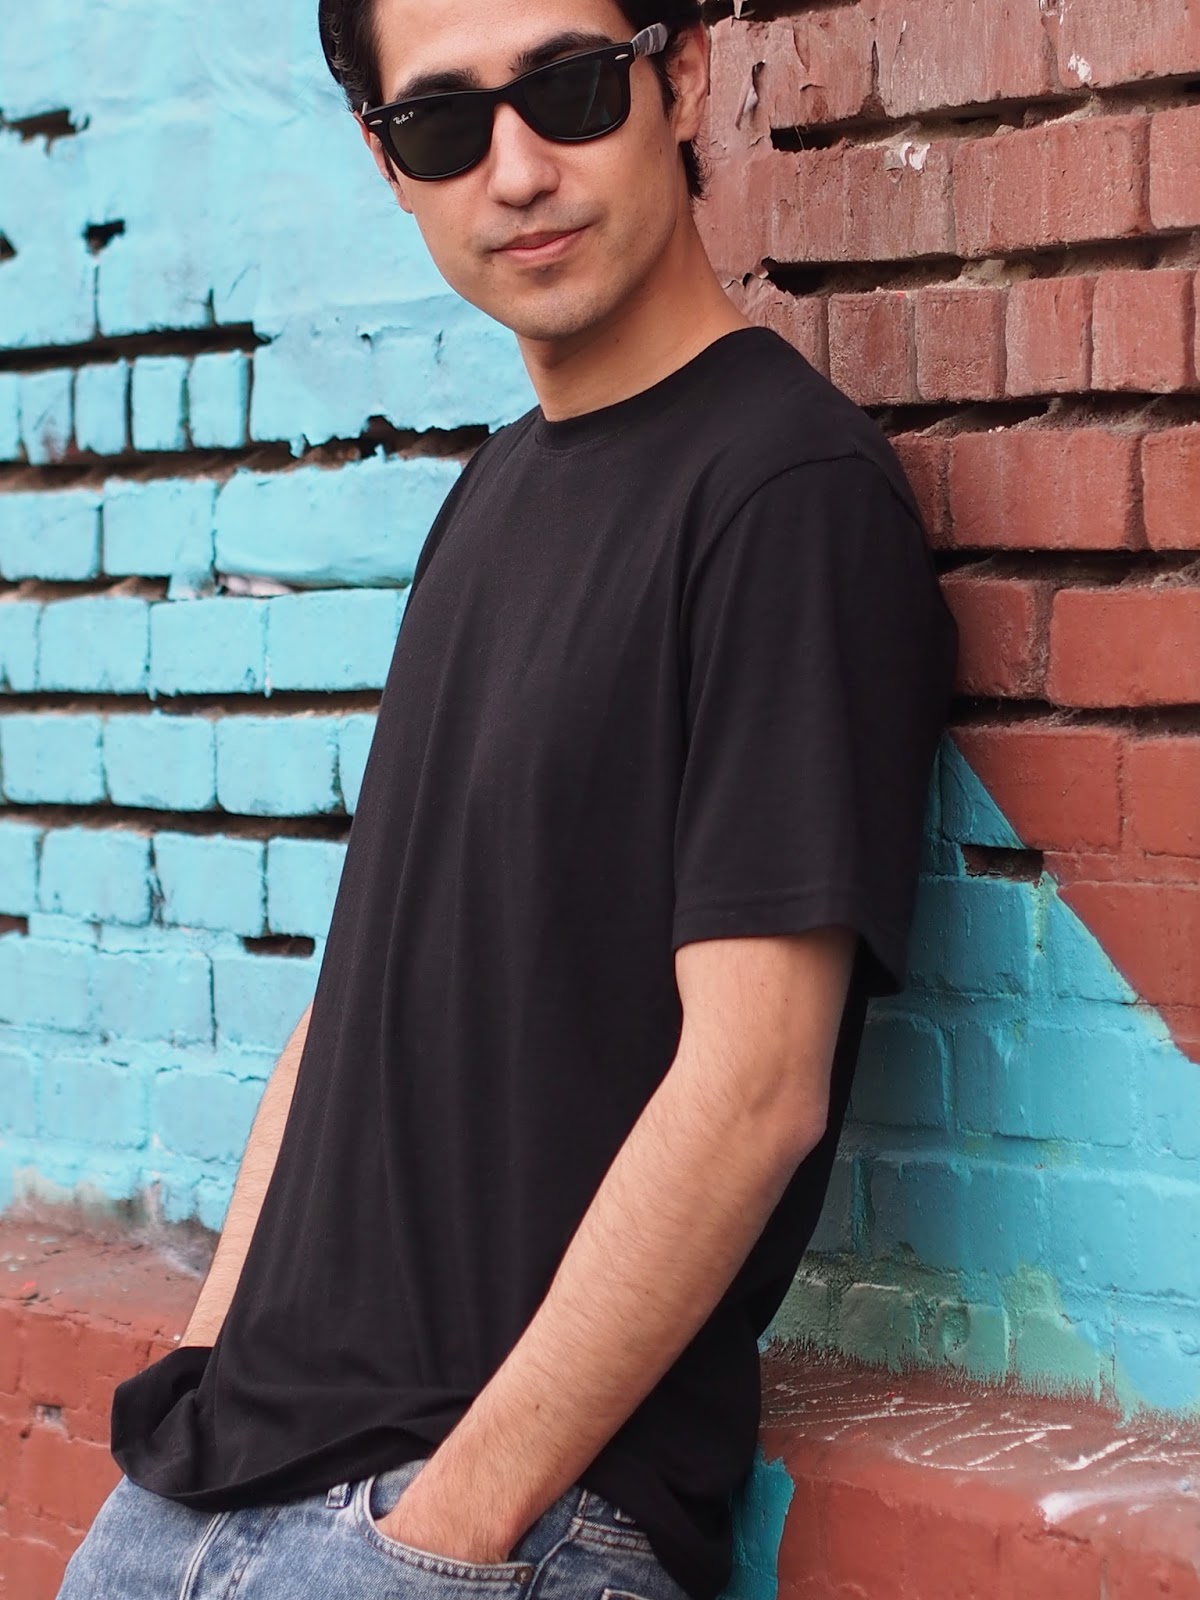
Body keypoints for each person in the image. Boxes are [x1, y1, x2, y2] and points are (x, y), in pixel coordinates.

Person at [58, 2, 958, 1598]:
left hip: (480, 1529)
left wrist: (453, 1526)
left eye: (570, 86)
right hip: (205, 1490)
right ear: (387, 163)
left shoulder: (786, 496)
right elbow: (350, 1019)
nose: (519, 168)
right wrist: (206, 1364)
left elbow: (756, 1086)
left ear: (681, 76)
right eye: (445, 124)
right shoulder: (489, 495)